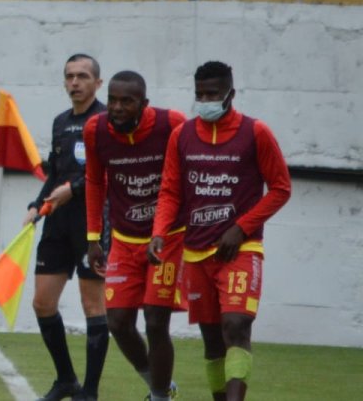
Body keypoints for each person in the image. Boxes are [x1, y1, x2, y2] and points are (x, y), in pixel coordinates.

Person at [149, 62, 292, 401]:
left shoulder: (255, 132)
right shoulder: (181, 136)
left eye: (212, 94)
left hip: (240, 250)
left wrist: (241, 229)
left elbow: (281, 188)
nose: (205, 101)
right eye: (199, 94)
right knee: (213, 342)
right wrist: (159, 232)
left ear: (231, 94)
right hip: (195, 253)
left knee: (236, 326)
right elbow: (170, 192)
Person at [83, 71, 186, 401]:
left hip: (168, 238)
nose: (117, 107)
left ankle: (159, 397)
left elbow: (184, 179)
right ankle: (159, 384)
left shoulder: (172, 124)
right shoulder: (96, 130)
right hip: (124, 240)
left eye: (126, 101)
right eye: (112, 100)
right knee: (118, 322)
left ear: (144, 104)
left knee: (155, 320)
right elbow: (95, 181)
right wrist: (93, 237)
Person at [23, 53, 108, 401]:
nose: (75, 82)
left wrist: (72, 190)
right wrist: (36, 204)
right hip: (57, 223)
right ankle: (66, 380)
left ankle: (90, 391)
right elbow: (54, 173)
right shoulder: (60, 122)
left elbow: (106, 173)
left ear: (97, 83)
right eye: (70, 76)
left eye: (82, 76)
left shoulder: (106, 121)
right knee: (42, 303)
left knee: (93, 305)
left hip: (91, 225)